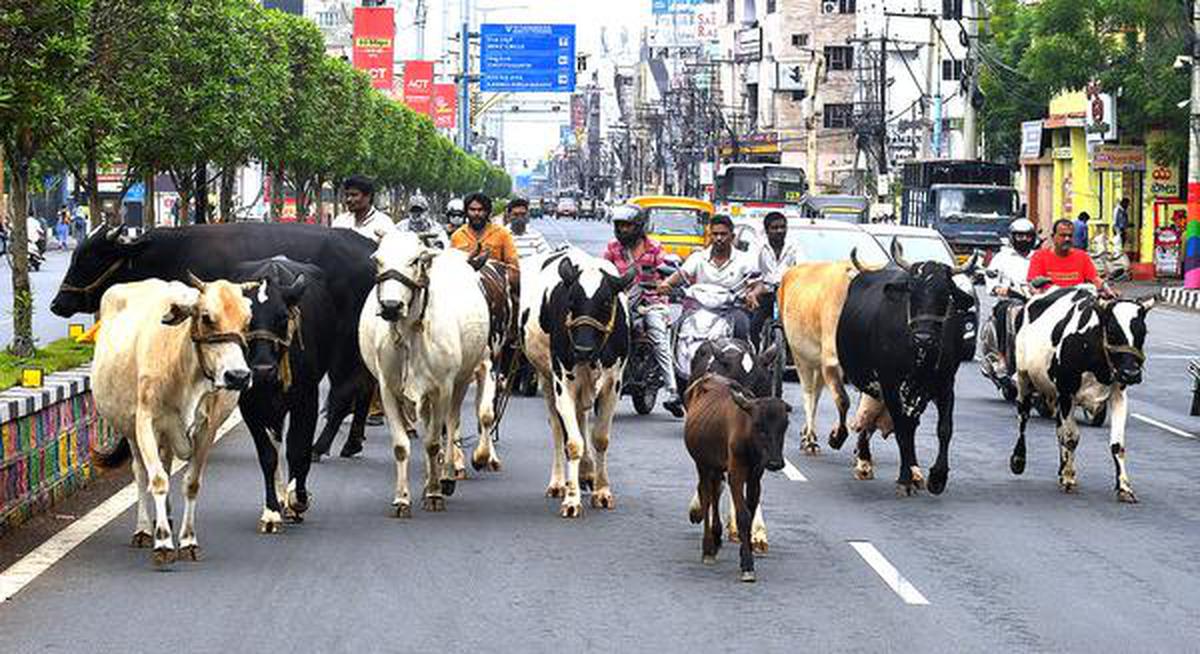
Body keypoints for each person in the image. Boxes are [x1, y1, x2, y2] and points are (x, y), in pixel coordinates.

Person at [603, 204, 683, 417]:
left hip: (651, 302)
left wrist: (663, 283)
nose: (622, 230)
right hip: (620, 302)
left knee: (658, 336)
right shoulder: (612, 248)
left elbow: (667, 273)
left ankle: (672, 391)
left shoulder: (654, 248)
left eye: (627, 226)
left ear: (639, 226)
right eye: (619, 226)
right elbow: (603, 271)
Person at [657, 213, 759, 340]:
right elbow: (681, 274)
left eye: (723, 234)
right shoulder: (698, 257)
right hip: (698, 308)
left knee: (742, 329)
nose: (719, 238)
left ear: (732, 236)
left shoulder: (744, 260)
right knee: (676, 328)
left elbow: (756, 283)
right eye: (715, 234)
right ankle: (672, 360)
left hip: (731, 309)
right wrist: (666, 284)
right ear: (710, 236)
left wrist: (753, 294)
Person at [747, 211, 800, 349]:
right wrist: (756, 287)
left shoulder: (794, 246)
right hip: (765, 292)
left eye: (783, 227)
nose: (779, 231)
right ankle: (756, 354)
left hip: (788, 293)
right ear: (767, 230)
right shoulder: (758, 245)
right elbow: (752, 269)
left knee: (799, 324)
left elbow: (801, 266)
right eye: (775, 228)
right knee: (754, 326)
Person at [1028, 218, 1114, 295]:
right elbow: (1033, 285)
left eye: (1070, 236)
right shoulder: (1039, 256)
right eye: (1063, 235)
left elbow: (1095, 279)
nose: (1067, 239)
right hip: (1050, 304)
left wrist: (1106, 289)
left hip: (1077, 303)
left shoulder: (1082, 256)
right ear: (1053, 237)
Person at [450, 192, 518, 268]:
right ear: (466, 212)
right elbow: (453, 266)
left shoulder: (502, 233)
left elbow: (513, 265)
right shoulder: (457, 236)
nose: (476, 213)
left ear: (487, 212)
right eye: (472, 209)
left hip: (495, 277)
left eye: (481, 209)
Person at [332, 175, 393, 243]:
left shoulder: (384, 223)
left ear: (368, 196)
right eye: (347, 195)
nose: (348, 199)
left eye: (354, 195)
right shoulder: (340, 221)